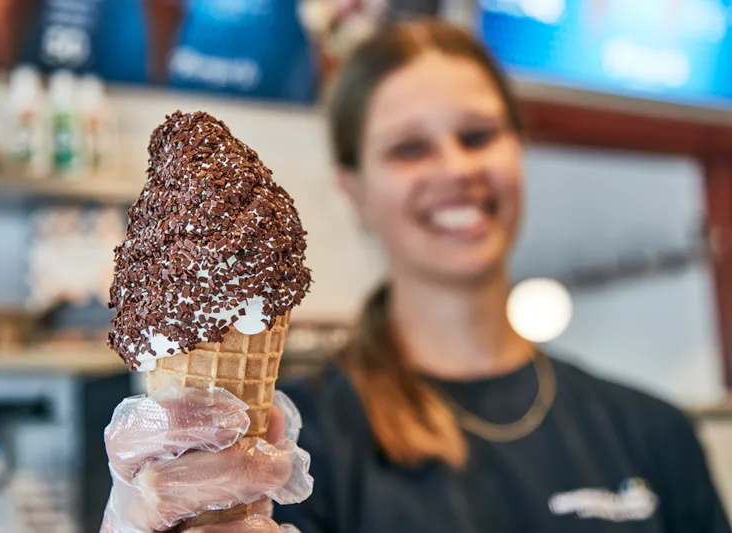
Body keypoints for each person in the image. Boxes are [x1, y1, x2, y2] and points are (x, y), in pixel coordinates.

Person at [102, 19, 732, 533]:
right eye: (409, 148)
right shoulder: (284, 447)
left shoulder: (654, 432)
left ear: (520, 151)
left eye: (478, 135)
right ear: (354, 190)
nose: (456, 167)